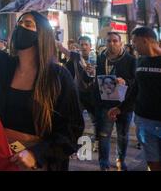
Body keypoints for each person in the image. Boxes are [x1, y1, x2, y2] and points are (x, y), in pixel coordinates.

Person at [0, 11, 84, 171]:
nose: (21, 27)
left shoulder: (58, 76)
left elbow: (73, 130)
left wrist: (36, 154)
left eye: (28, 24)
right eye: (19, 23)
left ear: (42, 35)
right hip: (3, 160)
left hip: (41, 165)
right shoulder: (5, 66)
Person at [109, 27, 161, 171]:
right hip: (144, 121)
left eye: (134, 42)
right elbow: (135, 89)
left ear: (145, 41)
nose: (133, 46)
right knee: (152, 161)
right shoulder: (141, 61)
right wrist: (120, 108)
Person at [94, 32, 136, 171]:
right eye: (108, 41)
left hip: (124, 104)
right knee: (104, 134)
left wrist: (125, 82)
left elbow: (136, 82)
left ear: (120, 43)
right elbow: (96, 79)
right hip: (106, 103)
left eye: (115, 41)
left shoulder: (130, 59)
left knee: (122, 135)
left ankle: (120, 160)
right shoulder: (101, 58)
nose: (111, 44)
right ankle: (103, 163)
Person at [57, 36, 98, 152]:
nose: (84, 47)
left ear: (90, 46)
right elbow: (63, 49)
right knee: (75, 120)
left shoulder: (97, 58)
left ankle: (97, 141)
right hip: (78, 94)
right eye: (82, 44)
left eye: (86, 44)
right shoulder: (76, 57)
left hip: (92, 94)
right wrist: (57, 42)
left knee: (95, 121)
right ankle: (74, 142)